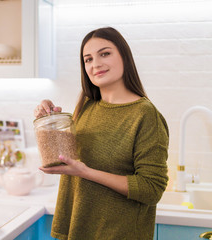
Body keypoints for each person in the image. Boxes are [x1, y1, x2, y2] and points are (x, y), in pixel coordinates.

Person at [34, 27, 169, 240]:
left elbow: (151, 189)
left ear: (124, 56)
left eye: (105, 54)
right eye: (88, 59)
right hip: (78, 230)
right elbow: (65, 159)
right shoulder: (87, 107)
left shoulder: (144, 114)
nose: (95, 64)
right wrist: (47, 119)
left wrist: (86, 172)